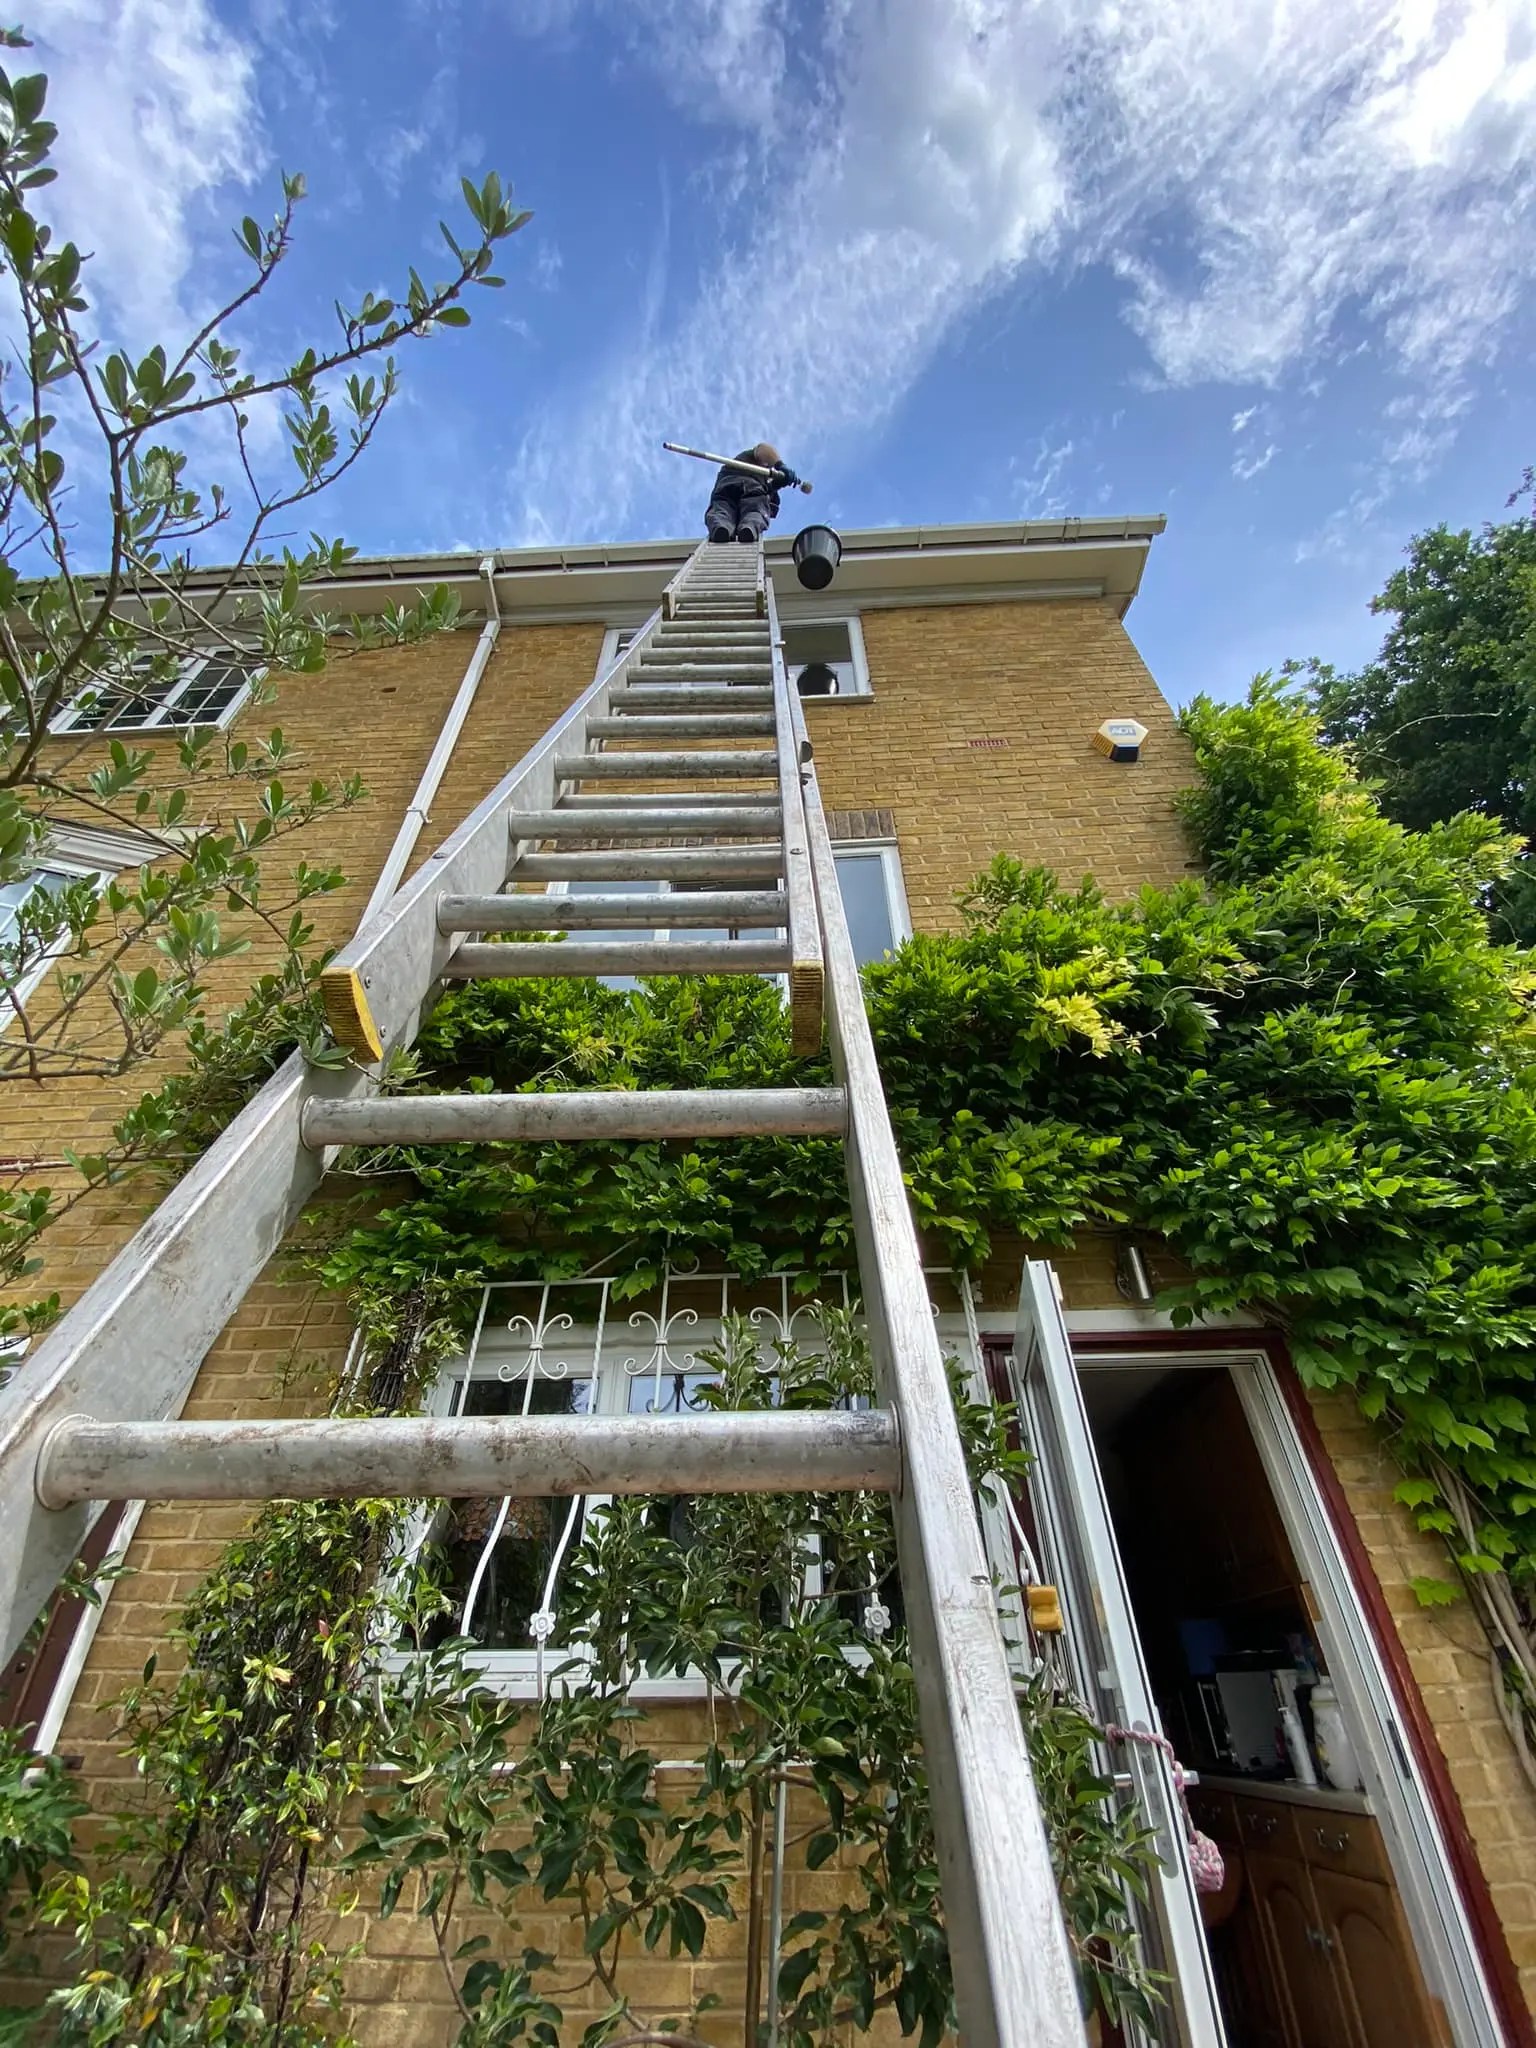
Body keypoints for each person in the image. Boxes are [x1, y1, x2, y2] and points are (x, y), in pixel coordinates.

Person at [705, 443, 802, 543]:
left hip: (726, 487)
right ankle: (749, 527)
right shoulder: (750, 459)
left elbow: (769, 488)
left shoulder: (762, 476)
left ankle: (721, 527)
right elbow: (763, 449)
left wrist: (776, 484)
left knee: (721, 511)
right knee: (755, 511)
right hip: (750, 486)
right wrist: (780, 465)